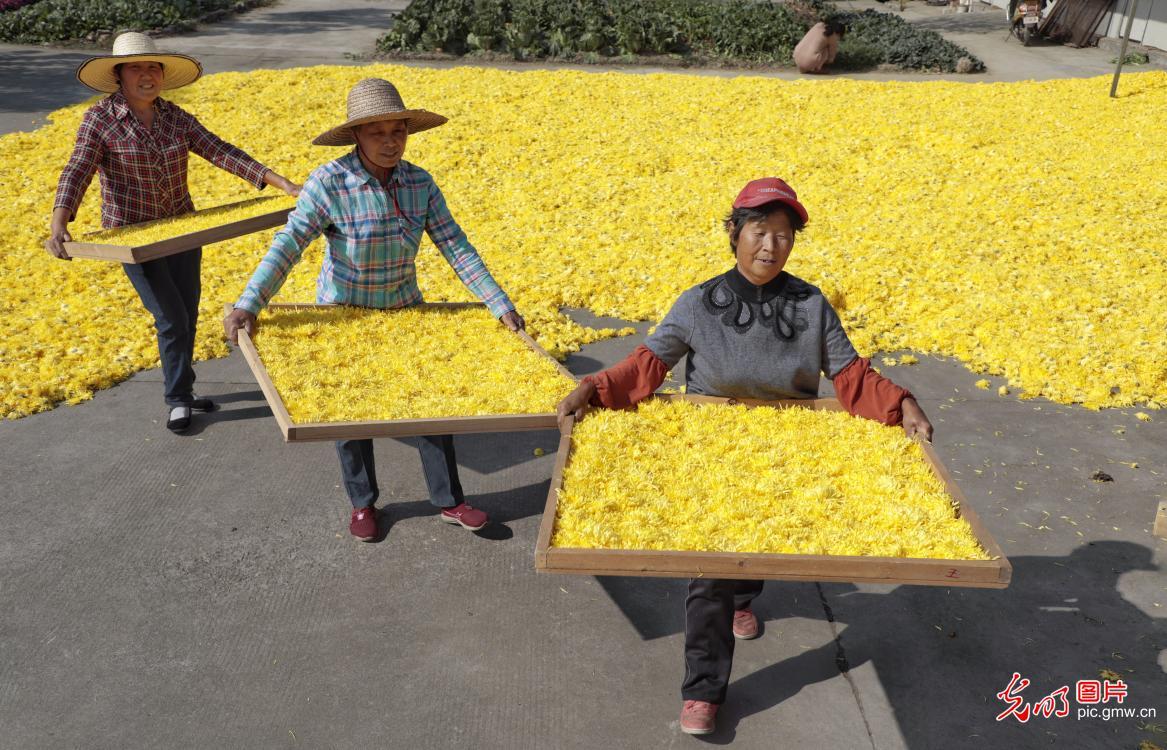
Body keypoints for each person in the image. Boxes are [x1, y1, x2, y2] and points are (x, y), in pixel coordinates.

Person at [556, 177, 933, 736]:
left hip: (789, 443)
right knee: (710, 568)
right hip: (713, 441)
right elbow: (648, 363)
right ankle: (703, 689)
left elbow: (851, 375)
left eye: (784, 236)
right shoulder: (700, 302)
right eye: (760, 231)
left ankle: (745, 593)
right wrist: (595, 387)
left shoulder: (810, 304)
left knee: (761, 547)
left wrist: (903, 403)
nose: (771, 246)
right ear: (734, 233)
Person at [223, 78, 525, 542]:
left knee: (430, 405)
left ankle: (449, 500)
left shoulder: (420, 183)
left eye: (397, 131)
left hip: (405, 309)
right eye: (377, 132)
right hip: (344, 313)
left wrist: (499, 304)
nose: (390, 142)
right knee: (351, 411)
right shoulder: (330, 182)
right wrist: (250, 302)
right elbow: (290, 243)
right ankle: (363, 503)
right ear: (357, 137)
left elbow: (456, 247)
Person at [48, 32, 301, 433]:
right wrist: (60, 222)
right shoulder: (100, 120)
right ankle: (178, 400)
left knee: (187, 312)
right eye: (137, 68)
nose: (147, 75)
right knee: (170, 317)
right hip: (134, 240)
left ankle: (182, 385)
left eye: (153, 68)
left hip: (183, 230)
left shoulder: (174, 117)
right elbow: (78, 169)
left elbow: (219, 150)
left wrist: (282, 183)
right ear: (119, 75)